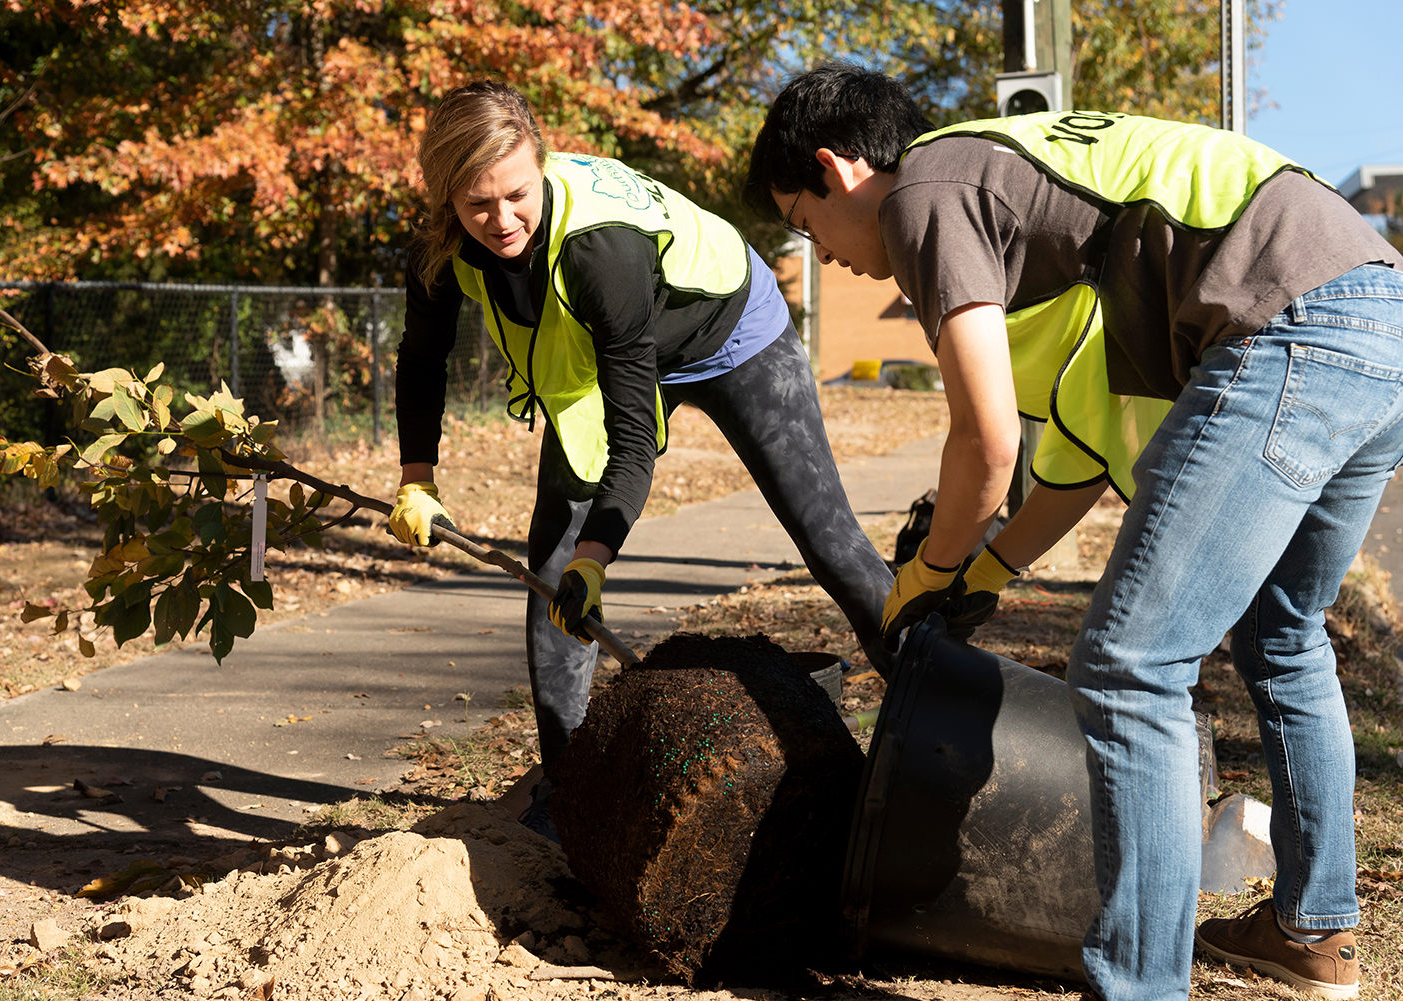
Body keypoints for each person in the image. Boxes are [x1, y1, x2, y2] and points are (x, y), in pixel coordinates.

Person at [744, 63, 1402, 1001]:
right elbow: (1081, 462)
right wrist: (990, 570)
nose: (825, 255)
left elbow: (987, 440)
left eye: (806, 227)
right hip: (1376, 314)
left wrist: (931, 569)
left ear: (836, 166)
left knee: (1131, 665)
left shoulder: (926, 192)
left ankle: (1137, 987)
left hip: (1292, 320)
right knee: (1282, 636)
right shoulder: (1021, 185)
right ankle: (1312, 929)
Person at [390, 81, 896, 832]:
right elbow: (421, 358)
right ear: (447, 200)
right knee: (551, 568)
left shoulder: (602, 249)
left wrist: (601, 556)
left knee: (829, 541)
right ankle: (567, 795)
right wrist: (417, 478)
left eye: (518, 195)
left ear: (542, 158)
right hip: (603, 354)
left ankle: (935, 720)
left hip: (730, 330)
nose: (502, 220)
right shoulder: (441, 251)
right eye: (478, 205)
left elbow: (633, 439)